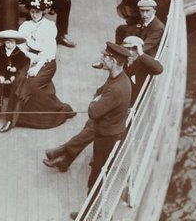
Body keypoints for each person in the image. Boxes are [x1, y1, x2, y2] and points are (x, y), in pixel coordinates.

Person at [44, 42, 132, 190]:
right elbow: (100, 91)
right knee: (96, 171)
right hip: (104, 128)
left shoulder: (118, 88)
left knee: (97, 175)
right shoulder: (117, 77)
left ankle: (92, 212)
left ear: (114, 61)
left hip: (107, 137)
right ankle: (64, 158)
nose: (102, 58)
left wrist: (94, 101)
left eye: (105, 56)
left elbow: (93, 111)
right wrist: (97, 98)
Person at [8, 0, 74, 129]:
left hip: (46, 62)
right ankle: (16, 118)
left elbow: (47, 51)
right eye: (32, 11)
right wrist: (30, 56)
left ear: (43, 12)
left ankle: (54, 110)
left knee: (31, 85)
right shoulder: (25, 26)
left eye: (37, 12)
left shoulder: (49, 26)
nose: (34, 15)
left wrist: (36, 68)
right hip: (30, 59)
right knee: (20, 80)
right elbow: (21, 46)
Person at [0, 30, 29, 131]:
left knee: (14, 80)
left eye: (12, 42)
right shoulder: (1, 50)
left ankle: (10, 111)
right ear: (4, 42)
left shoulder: (19, 52)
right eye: (7, 42)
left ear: (15, 43)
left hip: (13, 72)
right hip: (2, 71)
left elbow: (24, 62)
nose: (9, 45)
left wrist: (16, 67)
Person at [120, 34, 164, 104]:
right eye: (127, 49)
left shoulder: (144, 63)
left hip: (140, 103)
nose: (130, 52)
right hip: (124, 100)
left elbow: (159, 69)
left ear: (139, 49)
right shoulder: (122, 61)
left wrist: (141, 53)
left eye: (134, 49)